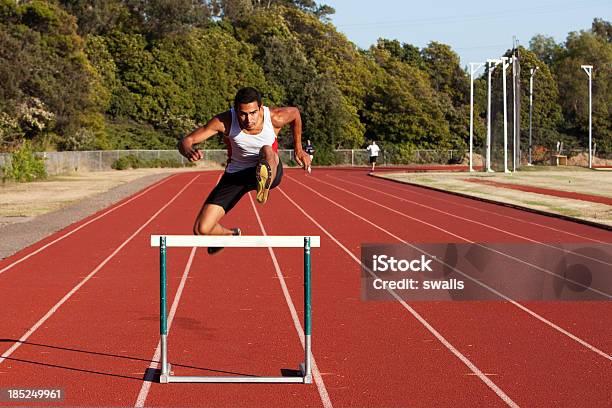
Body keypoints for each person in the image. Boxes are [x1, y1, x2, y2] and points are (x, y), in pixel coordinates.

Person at [178, 87, 311, 254]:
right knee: (201, 229)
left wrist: (298, 148)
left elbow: (295, 114)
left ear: (261, 108)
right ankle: (231, 235)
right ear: (235, 110)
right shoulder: (224, 121)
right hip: (237, 175)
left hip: (269, 168)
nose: (249, 119)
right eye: (243, 114)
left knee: (267, 149)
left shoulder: (275, 117)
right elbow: (187, 140)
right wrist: (188, 150)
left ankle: (264, 181)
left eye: (253, 113)